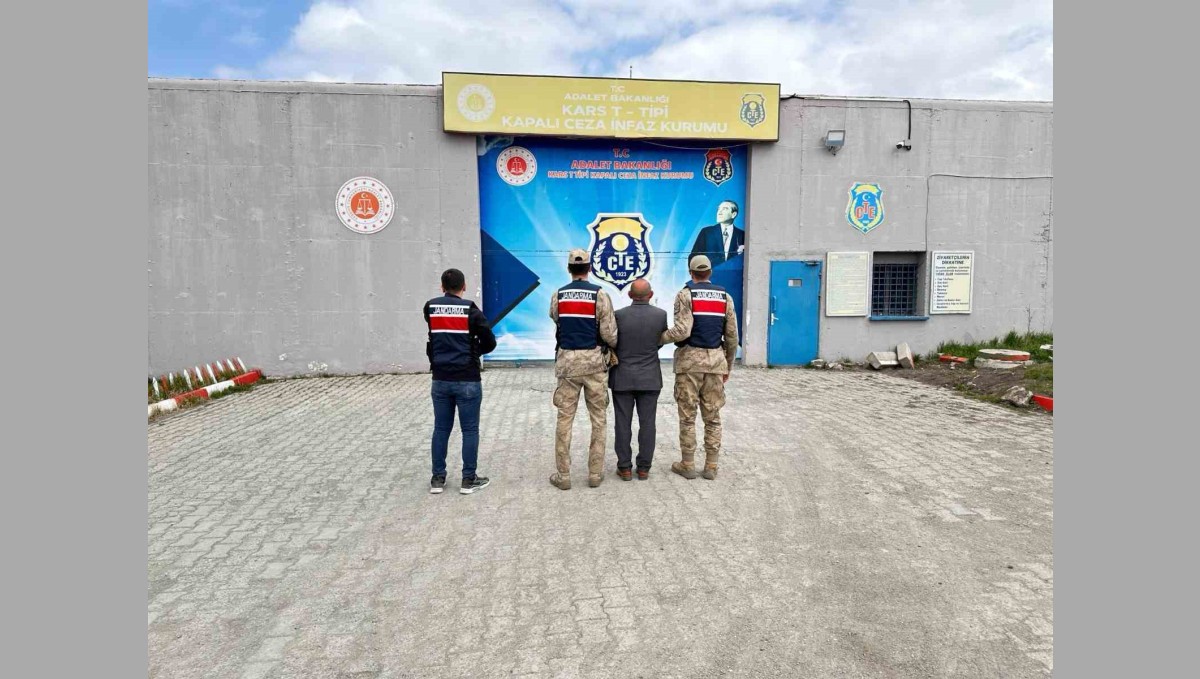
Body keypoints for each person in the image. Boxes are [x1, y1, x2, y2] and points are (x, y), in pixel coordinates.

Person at [660, 255, 739, 480]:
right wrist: (728, 366)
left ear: (691, 272)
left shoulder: (685, 295)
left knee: (688, 415)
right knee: (712, 416)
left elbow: (682, 331)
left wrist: (659, 338)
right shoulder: (725, 297)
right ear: (710, 272)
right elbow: (732, 336)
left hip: (689, 363)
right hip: (716, 362)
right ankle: (711, 466)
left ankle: (687, 464)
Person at [422, 268, 497, 495]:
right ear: (464, 286)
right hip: (467, 379)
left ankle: (437, 479)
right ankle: (468, 479)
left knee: (441, 428)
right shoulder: (471, 311)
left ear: (442, 287)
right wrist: (475, 352)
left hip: (440, 379)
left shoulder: (430, 307)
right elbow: (490, 342)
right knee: (470, 430)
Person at [549, 248, 618, 490]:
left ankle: (563, 476)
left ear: (569, 269)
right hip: (594, 364)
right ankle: (595, 474)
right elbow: (609, 334)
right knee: (598, 419)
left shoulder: (558, 295)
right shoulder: (600, 295)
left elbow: (556, 318)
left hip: (567, 363)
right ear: (590, 268)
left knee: (564, 419)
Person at [608, 278, 668, 481]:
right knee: (648, 423)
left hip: (622, 377)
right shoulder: (660, 315)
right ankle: (644, 468)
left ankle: (624, 468)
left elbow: (613, 341)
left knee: (622, 423)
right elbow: (659, 342)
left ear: (629, 295)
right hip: (650, 377)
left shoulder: (619, 315)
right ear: (651, 295)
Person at [688, 200, 746, 267]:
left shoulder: (742, 235)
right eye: (718, 209)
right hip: (710, 273)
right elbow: (694, 258)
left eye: (725, 209)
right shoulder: (707, 232)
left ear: (733, 214)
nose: (719, 212)